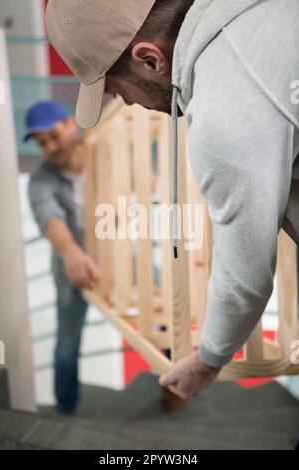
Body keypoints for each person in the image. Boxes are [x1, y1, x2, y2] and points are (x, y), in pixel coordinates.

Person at [46, 0, 299, 401]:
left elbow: (243, 279)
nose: (127, 104)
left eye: (116, 90)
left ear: (150, 60)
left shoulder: (223, 107)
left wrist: (208, 361)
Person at [25, 101, 100, 413]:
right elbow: (49, 217)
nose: (50, 146)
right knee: (67, 343)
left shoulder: (104, 151)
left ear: (71, 124)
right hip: (72, 270)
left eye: (53, 135)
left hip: (124, 258)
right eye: (42, 143)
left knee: (165, 312)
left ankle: (174, 392)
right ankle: (65, 411)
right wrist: (71, 254)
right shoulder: (41, 180)